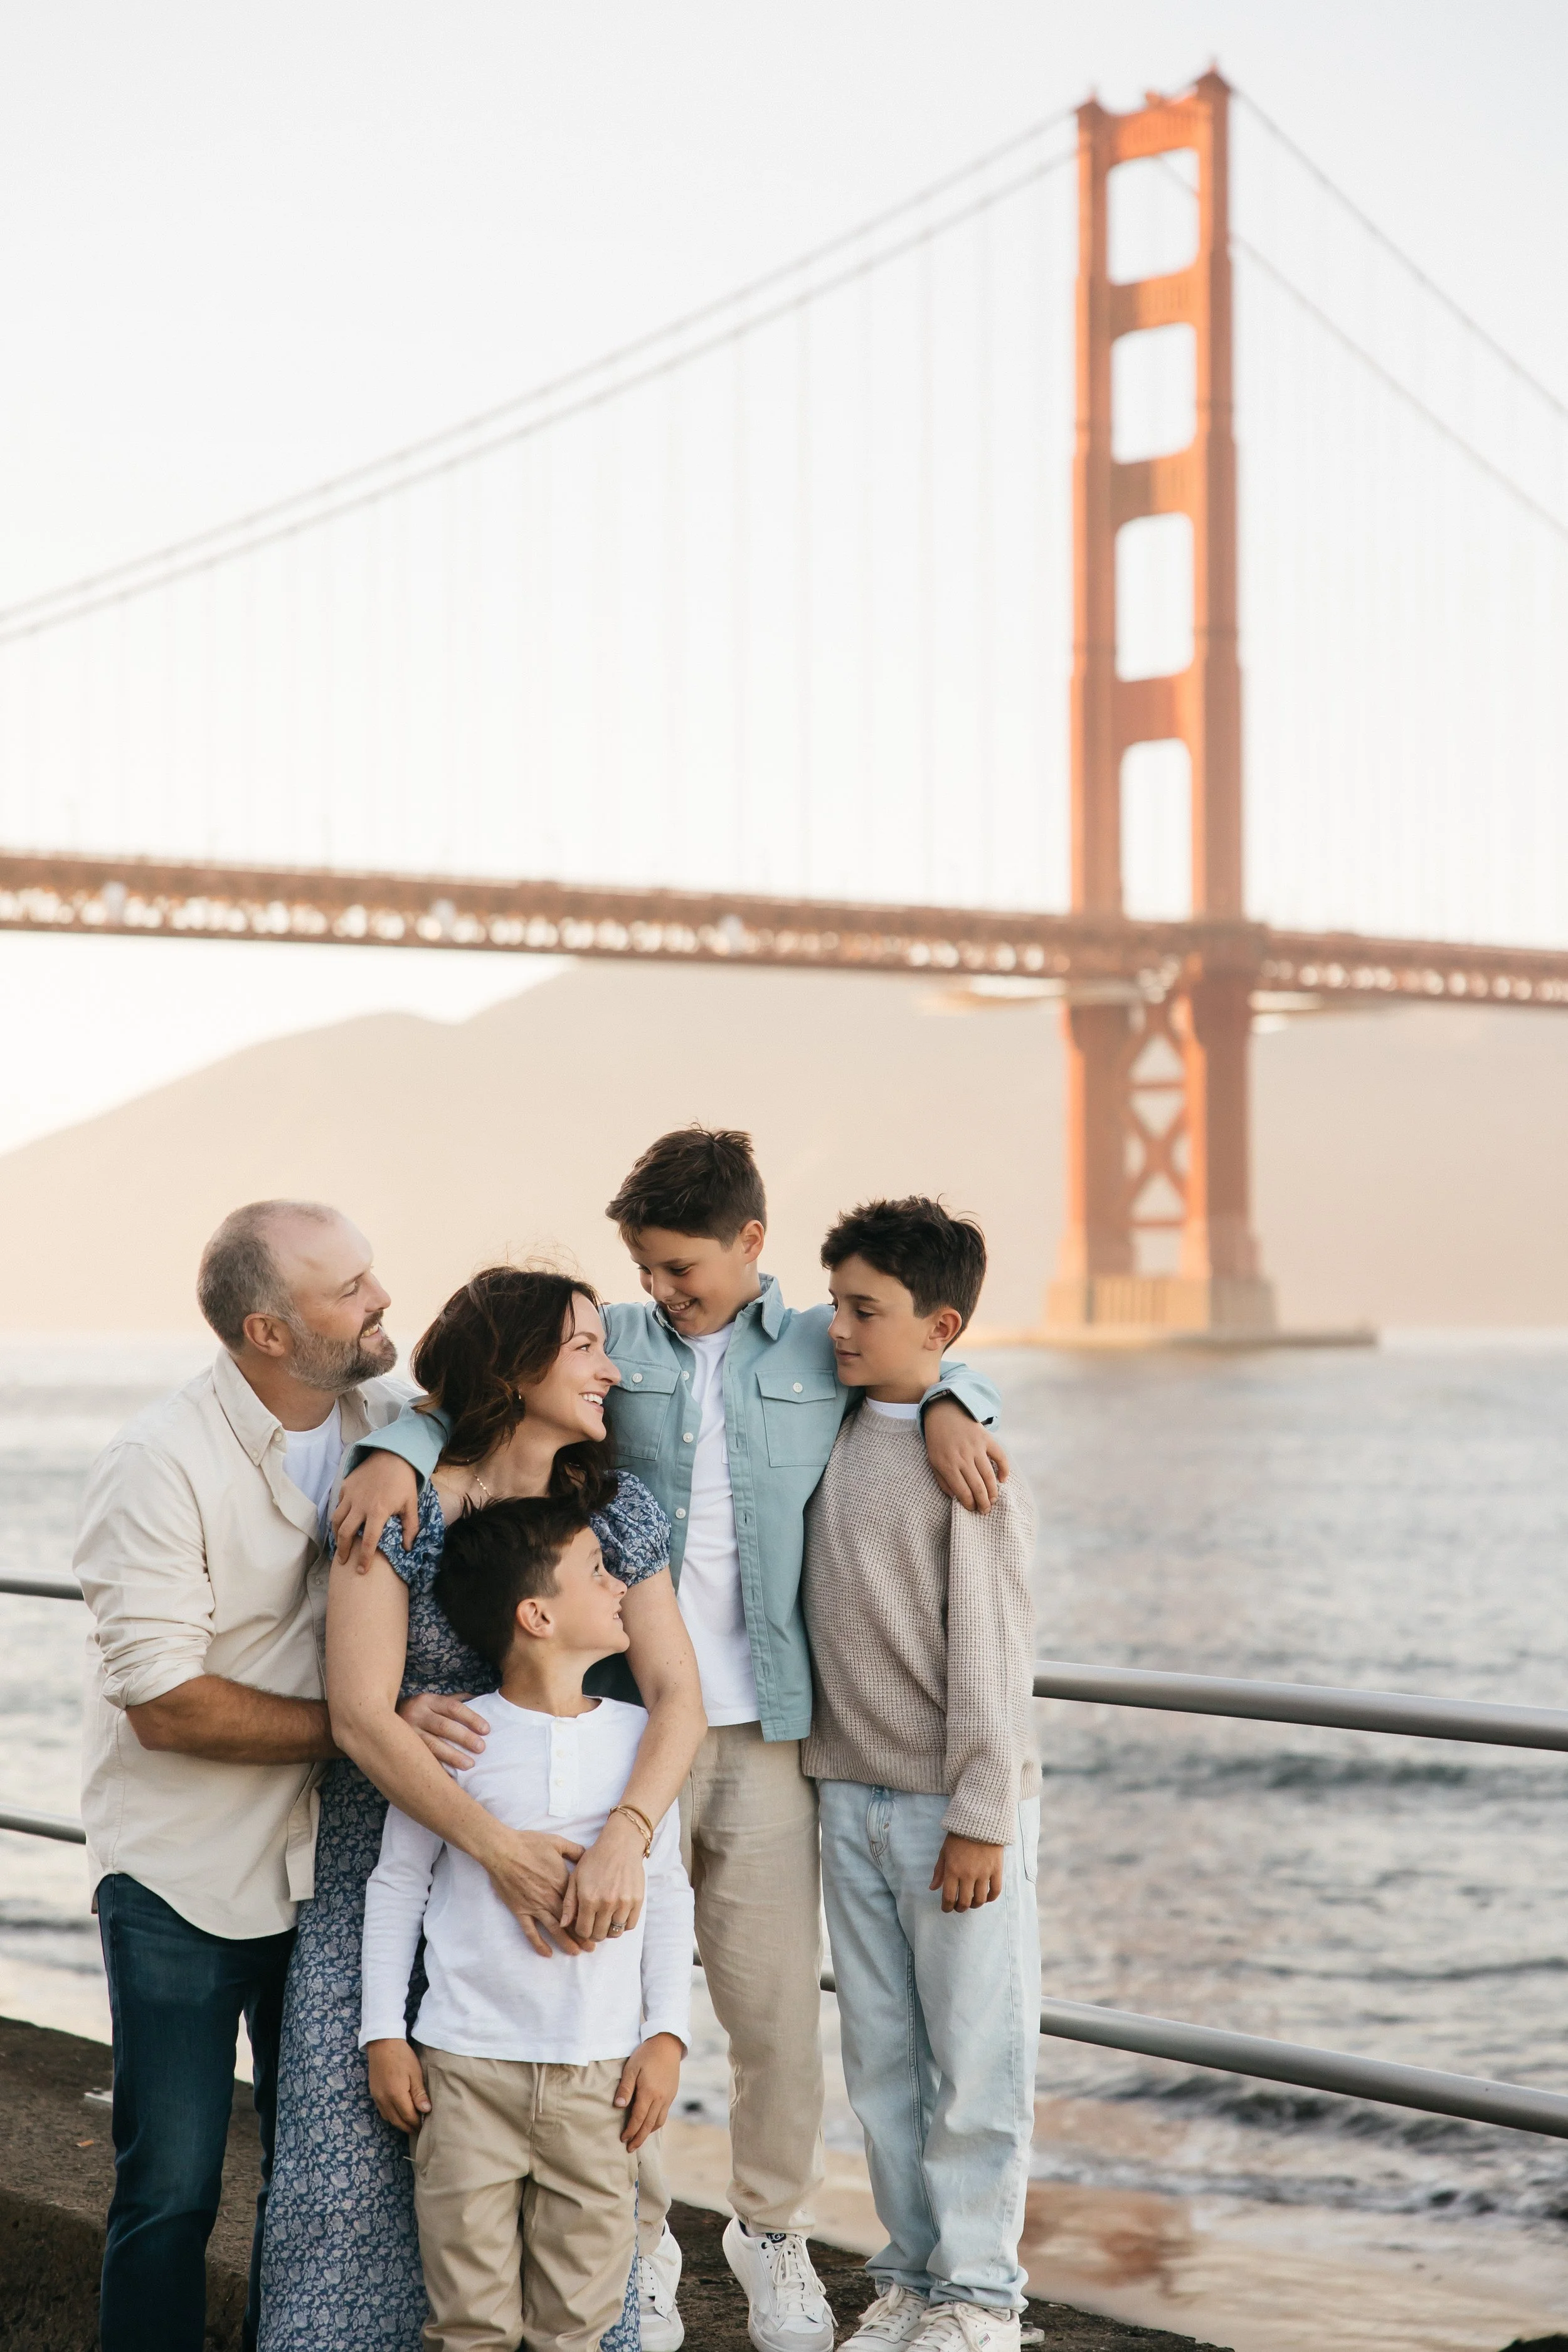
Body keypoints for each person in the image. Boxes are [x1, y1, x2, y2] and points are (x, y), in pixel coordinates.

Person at [332, 1128, 1008, 2352]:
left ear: (751, 1244)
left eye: (680, 1268)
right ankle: (638, 2244)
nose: (659, 1291)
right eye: (641, 1268)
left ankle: (771, 2232)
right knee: (594, 1986)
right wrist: (396, 1446)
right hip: (614, 1731)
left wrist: (964, 1402)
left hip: (760, 1733)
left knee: (766, 2017)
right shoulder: (607, 1349)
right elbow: (476, 1394)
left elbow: (930, 1352)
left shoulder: (822, 1343)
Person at [258, 1268, 706, 2352]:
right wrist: (498, 1851)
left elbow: (678, 1699)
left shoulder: (616, 1513)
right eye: (586, 1347)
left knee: (569, 2229)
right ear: (515, 1366)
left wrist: (623, 1843)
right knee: (348, 2193)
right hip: (397, 1876)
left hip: (565, 1909)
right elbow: (362, 1718)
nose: (612, 1367)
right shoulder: (398, 1499)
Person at [75, 1200, 464, 2352]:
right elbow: (163, 1702)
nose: (382, 1297)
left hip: (341, 1877)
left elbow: (480, 1414)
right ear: (267, 1332)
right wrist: (372, 1728)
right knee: (172, 2190)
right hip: (184, 1882)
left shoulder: (392, 1419)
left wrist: (404, 1450)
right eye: (346, 1289)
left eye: (369, 1272)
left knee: (326, 2193)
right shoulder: (156, 1461)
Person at [361, 1495, 695, 2352]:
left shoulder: (638, 1741)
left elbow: (667, 1893)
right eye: (597, 1569)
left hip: (598, 2083)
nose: (619, 1581)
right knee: (467, 2323)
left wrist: (668, 2034)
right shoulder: (457, 1741)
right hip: (465, 2073)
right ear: (538, 1615)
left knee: (575, 2327)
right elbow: (397, 1882)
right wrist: (383, 2034)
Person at [802, 1199, 1039, 2352]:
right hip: (846, 1793)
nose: (837, 1327)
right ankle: (910, 2277)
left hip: (954, 1810)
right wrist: (945, 1387)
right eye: (836, 1300)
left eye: (864, 1309)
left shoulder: (972, 1462)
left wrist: (985, 1814)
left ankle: (984, 2297)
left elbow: (995, 1646)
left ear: (939, 1323)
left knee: (975, 2061)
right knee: (883, 2057)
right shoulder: (827, 1425)